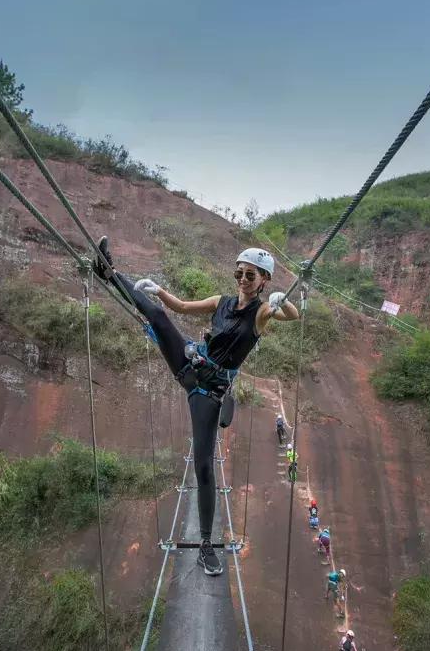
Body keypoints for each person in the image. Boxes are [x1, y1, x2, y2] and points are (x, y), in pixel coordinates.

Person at [93, 238, 299, 577]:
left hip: (208, 392)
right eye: (239, 273)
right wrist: (159, 291)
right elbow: (182, 308)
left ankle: (206, 546)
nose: (243, 280)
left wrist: (283, 303)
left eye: (250, 276)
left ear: (264, 281)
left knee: (204, 468)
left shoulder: (261, 313)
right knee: (158, 317)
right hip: (189, 362)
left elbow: (289, 314)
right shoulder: (221, 302)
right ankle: (109, 271)